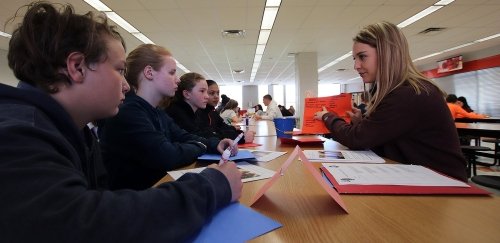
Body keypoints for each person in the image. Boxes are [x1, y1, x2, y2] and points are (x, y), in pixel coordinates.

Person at [0, 2, 242, 242]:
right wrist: (211, 187)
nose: (126, 85)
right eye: (119, 70)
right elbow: (88, 225)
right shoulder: (15, 135)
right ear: (77, 67)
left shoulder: (76, 130)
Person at [314, 21, 467, 182]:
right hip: (419, 177)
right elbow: (382, 138)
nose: (356, 65)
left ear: (387, 54)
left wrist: (328, 117)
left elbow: (356, 139)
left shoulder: (409, 94)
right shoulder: (402, 91)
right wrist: (363, 123)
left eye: (362, 57)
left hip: (445, 186)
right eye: (355, 58)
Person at [99, 44, 237, 190]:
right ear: (149, 72)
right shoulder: (129, 111)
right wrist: (202, 146)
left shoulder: (156, 111)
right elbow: (167, 155)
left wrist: (215, 144)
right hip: (133, 204)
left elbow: (183, 136)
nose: (178, 80)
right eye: (172, 73)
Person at [165, 76, 254, 143]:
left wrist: (239, 134)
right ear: (187, 94)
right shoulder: (178, 112)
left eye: (217, 93)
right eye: (203, 91)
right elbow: (203, 136)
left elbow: (216, 130)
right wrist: (240, 137)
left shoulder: (207, 111)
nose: (207, 96)